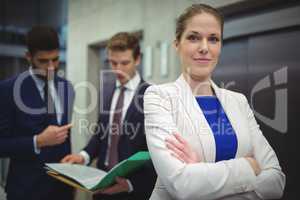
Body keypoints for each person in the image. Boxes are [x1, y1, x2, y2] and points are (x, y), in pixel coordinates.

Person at [144, 4, 285, 200]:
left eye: (213, 39)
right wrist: (248, 166)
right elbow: (181, 185)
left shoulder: (238, 101)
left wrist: (202, 172)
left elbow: (276, 181)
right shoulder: (159, 97)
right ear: (177, 44)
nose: (204, 48)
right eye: (193, 37)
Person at [62, 32, 156, 200]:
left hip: (133, 191)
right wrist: (83, 156)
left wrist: (131, 185)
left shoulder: (151, 95)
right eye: (113, 63)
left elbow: (156, 153)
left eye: (125, 63)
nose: (118, 69)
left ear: (137, 59)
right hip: (102, 185)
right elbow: (101, 134)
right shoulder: (107, 90)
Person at [0, 25, 75, 200]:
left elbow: (64, 138)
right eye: (43, 61)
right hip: (26, 190)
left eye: (55, 60)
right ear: (28, 56)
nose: (51, 67)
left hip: (62, 189)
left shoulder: (67, 88)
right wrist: (37, 141)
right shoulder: (7, 90)